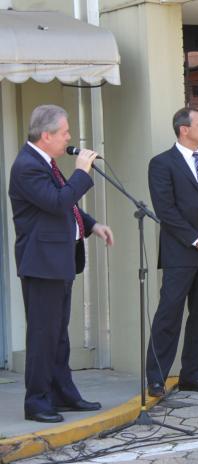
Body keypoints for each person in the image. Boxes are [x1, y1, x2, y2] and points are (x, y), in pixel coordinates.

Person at [9, 104, 114, 423]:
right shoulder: (27, 166)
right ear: (46, 135)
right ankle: (37, 401)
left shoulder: (46, 163)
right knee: (43, 334)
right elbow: (57, 202)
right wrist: (82, 171)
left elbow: (64, 205)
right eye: (65, 132)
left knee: (59, 334)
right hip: (41, 263)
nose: (70, 138)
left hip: (59, 261)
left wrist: (91, 224)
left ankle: (62, 393)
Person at [146, 107, 198, 397]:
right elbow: (165, 210)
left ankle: (192, 376)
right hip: (181, 253)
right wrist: (197, 240)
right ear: (184, 129)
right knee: (169, 315)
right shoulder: (161, 164)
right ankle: (156, 378)